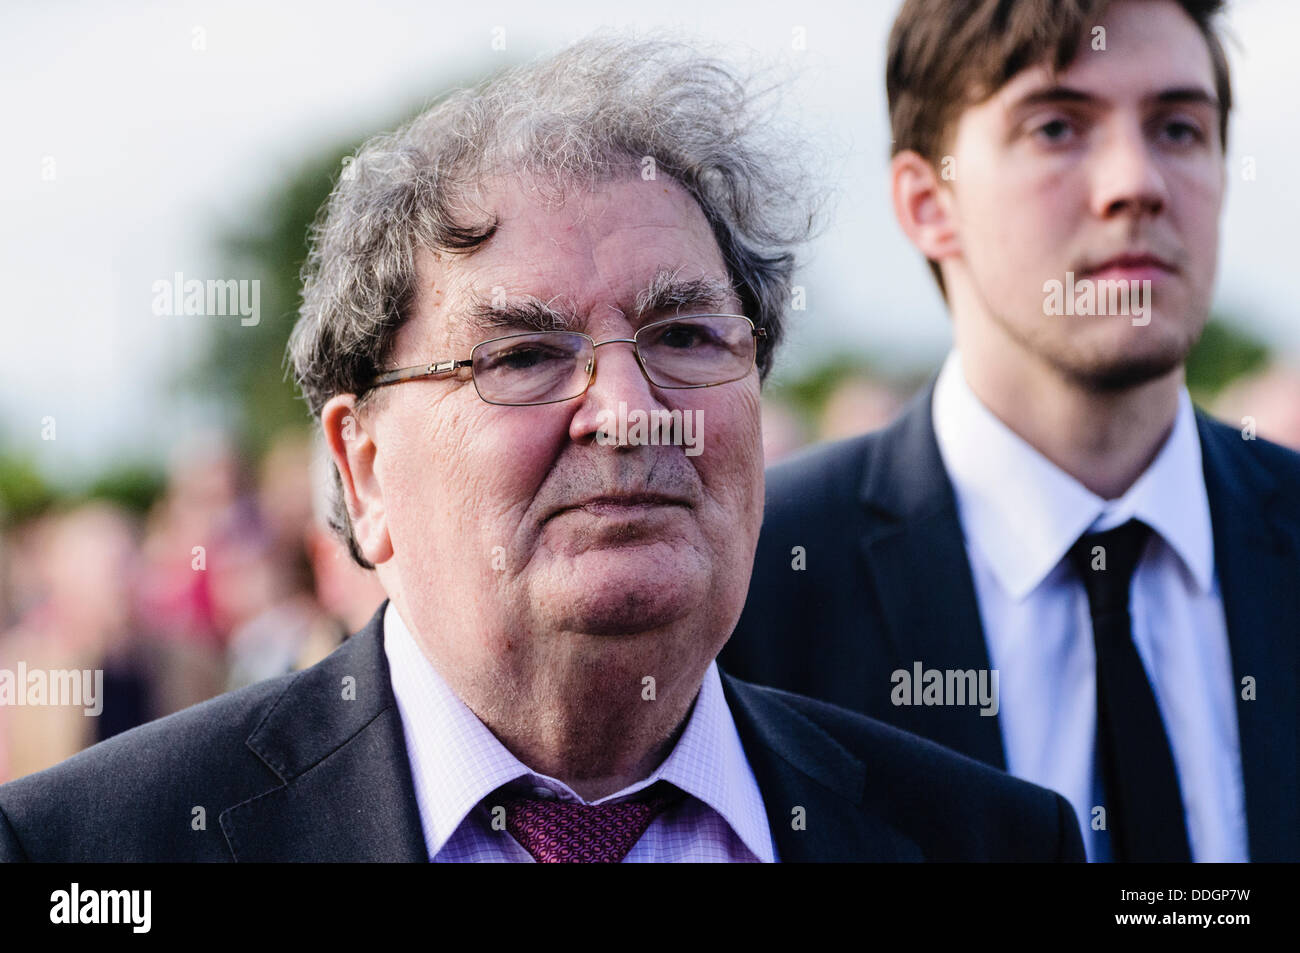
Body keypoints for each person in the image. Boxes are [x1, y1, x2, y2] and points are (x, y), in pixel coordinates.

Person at [0, 37, 1083, 863]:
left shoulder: (982, 839)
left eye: (684, 337)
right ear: (364, 465)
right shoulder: (96, 851)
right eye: (520, 355)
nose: (626, 410)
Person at [722, 0, 1300, 862]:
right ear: (927, 202)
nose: (1135, 183)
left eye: (1179, 127)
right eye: (1058, 127)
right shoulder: (758, 586)